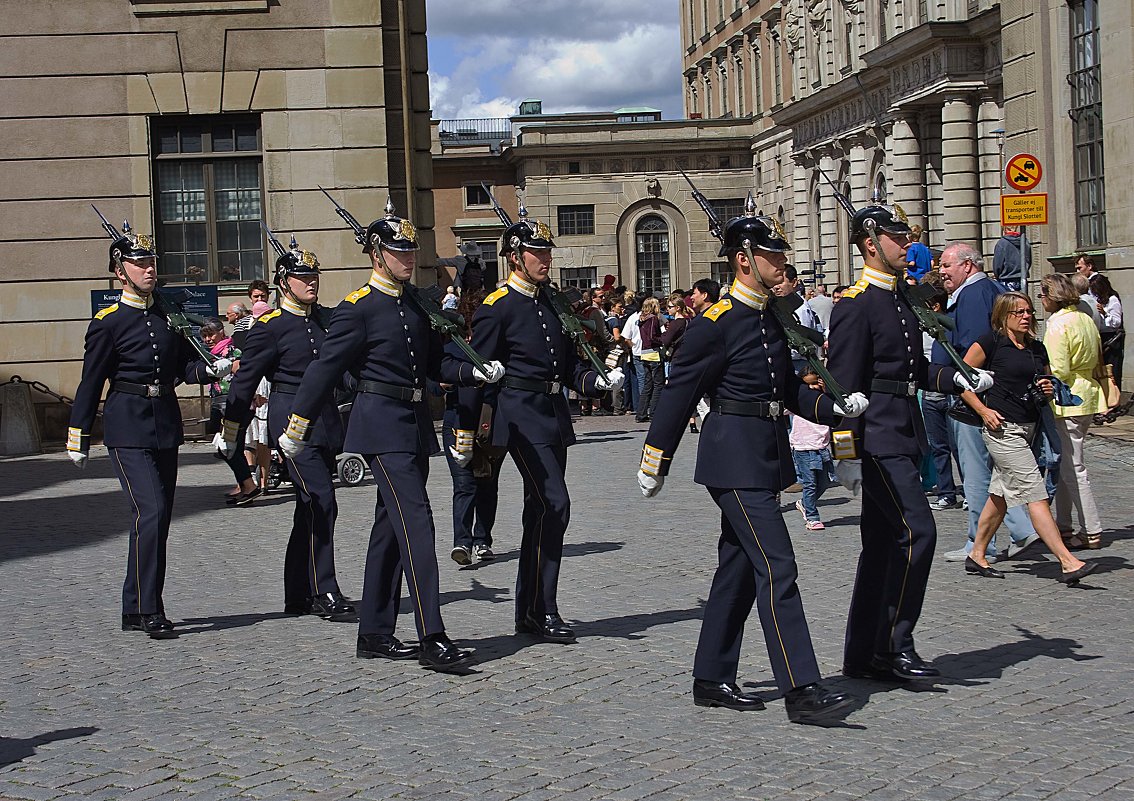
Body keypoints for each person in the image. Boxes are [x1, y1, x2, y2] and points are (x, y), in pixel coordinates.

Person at [637, 204, 869, 726]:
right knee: (778, 565)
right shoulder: (716, 323)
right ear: (744, 260)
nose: (781, 262)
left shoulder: (767, 315)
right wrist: (657, 457)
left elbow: (785, 392)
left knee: (738, 571)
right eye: (772, 254)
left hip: (764, 453)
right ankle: (802, 689)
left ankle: (710, 676)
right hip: (733, 458)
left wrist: (835, 412)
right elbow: (679, 392)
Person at [282, 200, 503, 672]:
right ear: (377, 254)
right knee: (417, 523)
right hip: (379, 425)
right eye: (399, 251)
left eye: (411, 250)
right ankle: (432, 634)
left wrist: (474, 371)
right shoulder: (357, 309)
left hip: (415, 423)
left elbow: (435, 365)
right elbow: (325, 370)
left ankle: (375, 632)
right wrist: (297, 425)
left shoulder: (415, 305)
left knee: (389, 528)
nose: (408, 258)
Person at [825, 202, 990, 683]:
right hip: (876, 439)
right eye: (898, 239)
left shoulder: (900, 299)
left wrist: (961, 379)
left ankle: (863, 655)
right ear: (870, 244)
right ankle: (896, 645)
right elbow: (842, 390)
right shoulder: (855, 305)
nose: (908, 246)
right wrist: (845, 456)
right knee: (919, 532)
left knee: (880, 545)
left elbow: (911, 370)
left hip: (901, 431)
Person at [458, 205, 623, 645]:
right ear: (515, 256)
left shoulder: (553, 302)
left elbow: (568, 368)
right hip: (518, 416)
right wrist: (465, 429)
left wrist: (598, 382)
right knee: (555, 504)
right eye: (536, 252)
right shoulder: (498, 307)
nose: (545, 258)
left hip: (552, 416)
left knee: (542, 512)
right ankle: (542, 607)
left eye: (547, 251)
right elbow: (477, 371)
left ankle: (531, 608)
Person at [68, 219, 231, 638]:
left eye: (152, 261)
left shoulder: (166, 314)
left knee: (158, 519)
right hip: (127, 425)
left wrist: (212, 369)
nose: (150, 269)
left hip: (165, 424)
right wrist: (78, 434)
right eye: (140, 263)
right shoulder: (108, 321)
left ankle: (136, 607)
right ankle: (147, 608)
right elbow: (91, 382)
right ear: (120, 270)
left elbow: (181, 368)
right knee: (150, 511)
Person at [218, 236, 355, 621]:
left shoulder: (327, 319)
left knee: (307, 507)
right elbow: (246, 381)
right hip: (289, 420)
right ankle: (324, 589)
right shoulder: (270, 327)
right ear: (284, 282)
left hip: (326, 420)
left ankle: (297, 594)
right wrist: (232, 428)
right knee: (322, 499)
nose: (311, 282)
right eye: (302, 276)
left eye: (314, 275)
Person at [956, 291, 1098, 584]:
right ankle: (1068, 561)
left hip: (1030, 427)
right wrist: (983, 411)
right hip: (1002, 429)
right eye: (1018, 312)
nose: (1026, 316)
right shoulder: (990, 342)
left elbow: (1046, 382)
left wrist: (1047, 390)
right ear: (1003, 315)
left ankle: (977, 554)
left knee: (1000, 495)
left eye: (1029, 311)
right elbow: (962, 380)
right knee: (1035, 493)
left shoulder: (1037, 348)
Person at [936, 242, 1038, 563]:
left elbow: (972, 351)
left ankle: (979, 545)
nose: (941, 271)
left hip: (974, 400)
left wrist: (969, 392)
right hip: (990, 397)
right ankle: (1023, 532)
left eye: (946, 265)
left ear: (967, 266)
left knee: (976, 472)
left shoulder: (972, 295)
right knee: (999, 473)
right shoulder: (990, 289)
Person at [1041, 273, 1106, 550]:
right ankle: (1064, 524)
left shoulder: (1058, 324)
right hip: (1087, 394)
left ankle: (1091, 528)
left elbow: (1058, 370)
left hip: (1068, 398)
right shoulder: (1084, 318)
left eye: (1043, 295)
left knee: (1074, 467)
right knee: (1069, 463)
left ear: (1051, 295)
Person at [444, 290, 503, 566]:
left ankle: (482, 539)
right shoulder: (451, 348)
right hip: (457, 423)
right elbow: (432, 380)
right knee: (464, 483)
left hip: (487, 422)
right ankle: (462, 542)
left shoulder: (493, 347)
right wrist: (444, 383)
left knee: (487, 483)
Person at [200, 318, 258, 504]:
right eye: (204, 336)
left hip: (234, 405)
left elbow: (243, 378)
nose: (208, 339)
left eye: (211, 334)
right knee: (233, 448)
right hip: (221, 404)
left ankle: (249, 487)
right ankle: (244, 485)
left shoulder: (232, 352)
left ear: (221, 332)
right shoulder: (210, 353)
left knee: (227, 448)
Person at [790, 368, 837, 530]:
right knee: (810, 484)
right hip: (803, 448)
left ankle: (803, 503)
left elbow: (836, 409)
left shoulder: (824, 398)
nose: (812, 388)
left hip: (822, 448)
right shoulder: (798, 401)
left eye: (815, 383)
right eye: (807, 385)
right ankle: (812, 517)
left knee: (824, 482)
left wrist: (825, 390)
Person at [1089, 272, 1123, 390]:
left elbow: (1116, 322)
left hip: (1111, 338)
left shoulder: (1113, 300)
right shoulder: (1099, 300)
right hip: (1101, 335)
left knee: (1112, 369)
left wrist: (1104, 313)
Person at [635, 297, 665, 423]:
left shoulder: (641, 318)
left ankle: (641, 413)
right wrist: (662, 339)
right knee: (658, 384)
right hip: (653, 352)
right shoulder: (652, 318)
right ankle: (654, 412)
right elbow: (653, 336)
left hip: (644, 352)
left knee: (648, 384)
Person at [991, 226, 1028, 291]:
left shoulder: (1002, 243)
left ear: (1005, 229)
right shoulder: (1024, 241)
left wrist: (998, 275)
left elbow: (997, 265)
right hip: (1021, 279)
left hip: (1006, 280)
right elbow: (1028, 260)